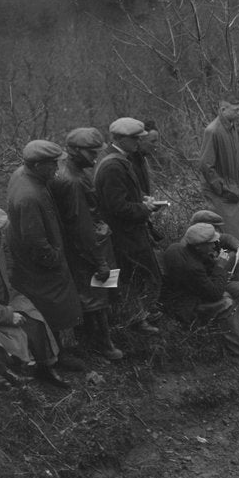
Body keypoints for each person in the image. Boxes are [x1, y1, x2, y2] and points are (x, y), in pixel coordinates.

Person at [0, 206, 69, 406]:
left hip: (9, 295)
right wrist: (8, 315)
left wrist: (11, 280)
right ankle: (11, 373)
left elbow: (8, 258)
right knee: (4, 338)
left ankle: (46, 367)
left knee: (37, 321)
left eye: (0, 232)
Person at [7, 139, 85, 371]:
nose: (57, 169)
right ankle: (59, 354)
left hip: (34, 258)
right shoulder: (29, 195)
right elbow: (36, 242)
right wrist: (55, 259)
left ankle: (60, 349)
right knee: (55, 306)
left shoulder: (24, 174)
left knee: (54, 304)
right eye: (52, 165)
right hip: (40, 263)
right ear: (38, 165)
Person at [50, 128, 124, 360]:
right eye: (91, 152)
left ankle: (95, 338)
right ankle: (104, 344)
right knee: (97, 295)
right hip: (88, 249)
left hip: (92, 243)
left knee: (97, 293)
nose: (95, 156)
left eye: (97, 151)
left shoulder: (75, 171)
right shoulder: (71, 181)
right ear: (73, 151)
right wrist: (99, 261)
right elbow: (81, 227)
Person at [160, 223, 239, 373]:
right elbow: (214, 293)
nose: (215, 246)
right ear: (199, 246)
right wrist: (220, 265)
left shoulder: (186, 247)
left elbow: (224, 239)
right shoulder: (192, 267)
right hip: (185, 304)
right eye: (211, 244)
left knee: (237, 290)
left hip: (195, 291)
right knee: (227, 304)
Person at [95, 117, 165, 335]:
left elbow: (123, 197)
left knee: (134, 275)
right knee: (133, 276)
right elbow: (117, 207)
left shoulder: (119, 159)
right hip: (123, 235)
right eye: (134, 138)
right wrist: (145, 210)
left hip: (127, 231)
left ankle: (138, 316)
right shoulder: (113, 165)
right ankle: (136, 320)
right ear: (119, 139)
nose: (138, 142)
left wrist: (142, 200)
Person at [198, 91, 239, 241]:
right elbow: (206, 165)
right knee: (228, 237)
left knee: (235, 234)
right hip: (222, 195)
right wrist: (222, 189)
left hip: (234, 191)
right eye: (236, 110)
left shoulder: (232, 128)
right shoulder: (213, 131)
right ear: (223, 109)